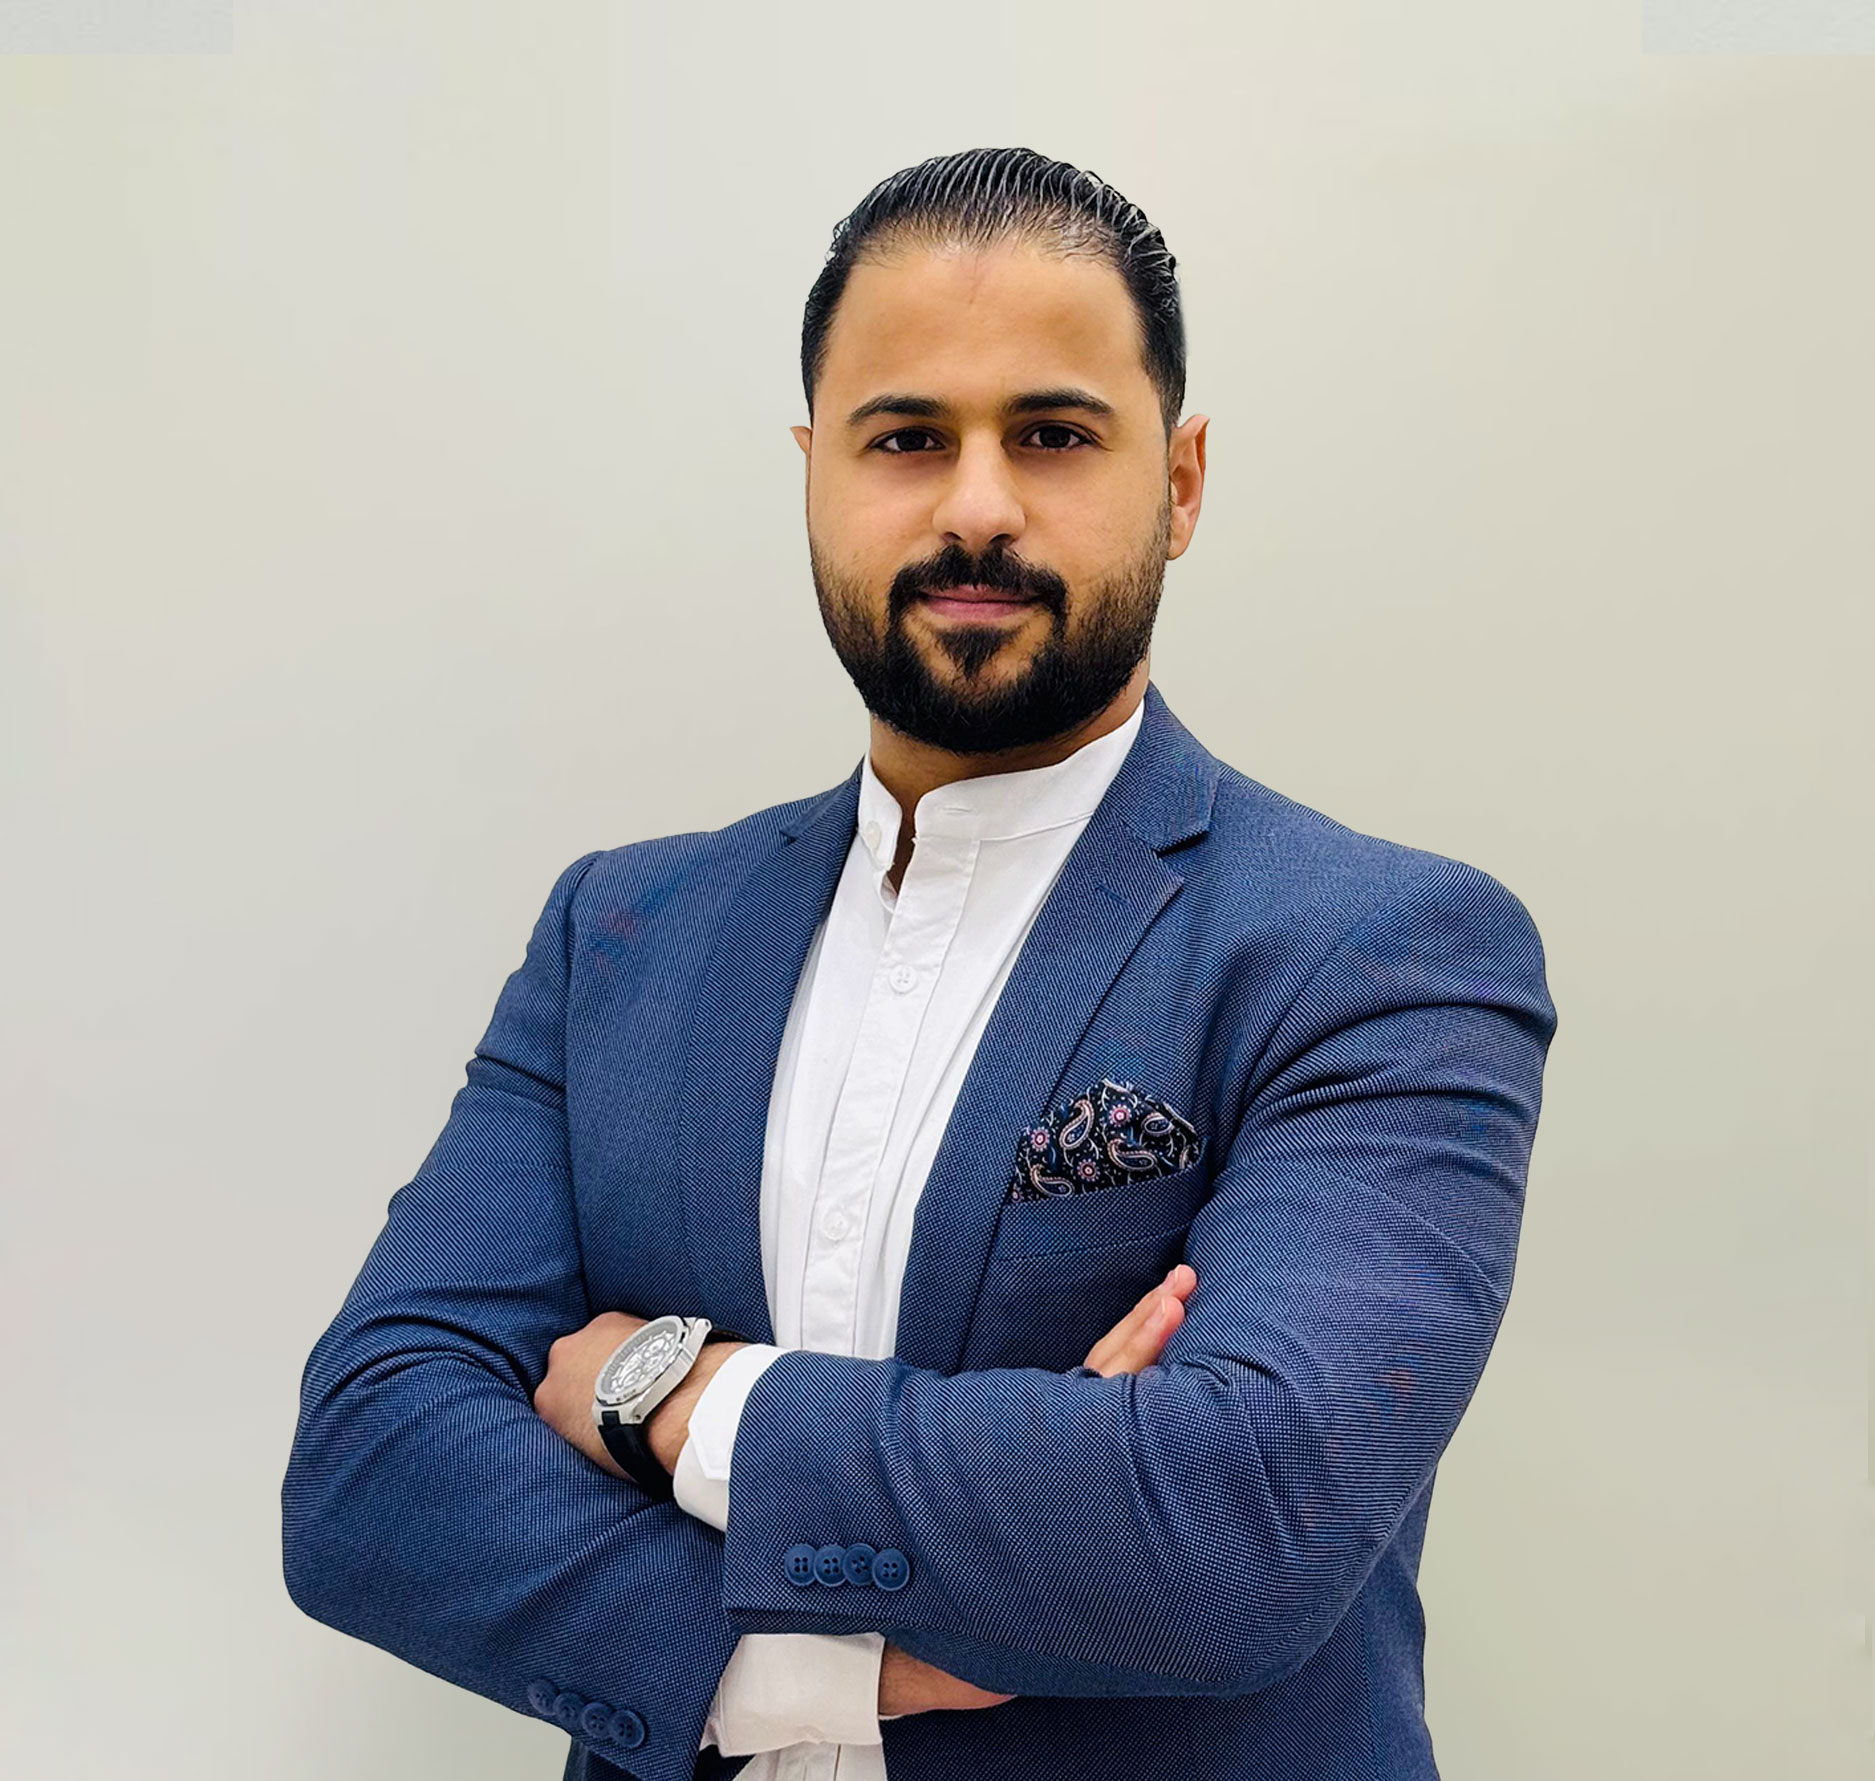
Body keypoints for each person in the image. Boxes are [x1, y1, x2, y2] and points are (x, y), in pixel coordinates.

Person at [282, 146, 1557, 1781]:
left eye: (1054, 434)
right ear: (813, 473)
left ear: (1179, 482)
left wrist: (670, 1394)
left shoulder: (1373, 949)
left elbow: (1229, 1524)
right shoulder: (623, 934)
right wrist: (810, 1670)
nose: (976, 506)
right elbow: (370, 1462)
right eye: (906, 438)